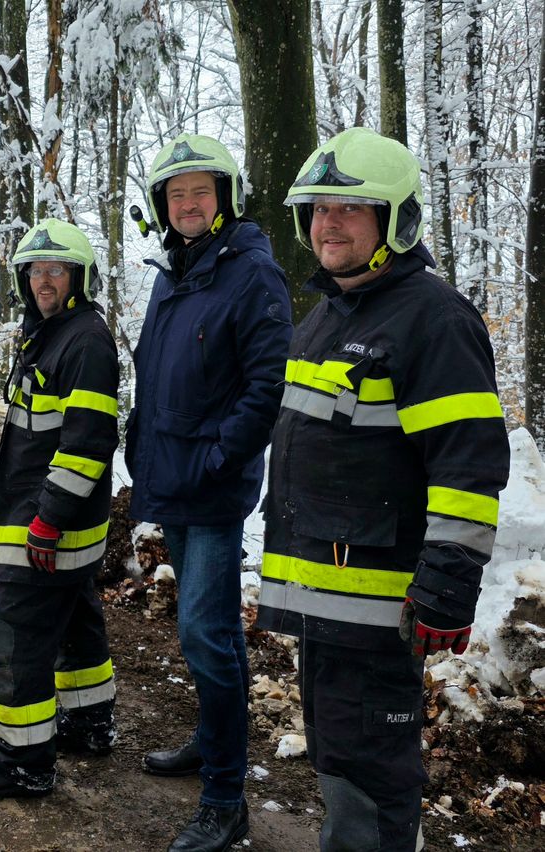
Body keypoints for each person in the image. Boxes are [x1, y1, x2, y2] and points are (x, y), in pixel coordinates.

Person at [256, 127, 511, 851]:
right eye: (318, 208)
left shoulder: (433, 320)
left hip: (379, 609)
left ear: (395, 222)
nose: (327, 223)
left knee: (372, 784)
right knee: (340, 766)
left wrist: (446, 585)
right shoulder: (325, 318)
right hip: (323, 601)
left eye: (350, 209)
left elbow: (469, 464)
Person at [126, 133, 293, 851]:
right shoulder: (178, 270)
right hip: (173, 476)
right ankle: (210, 738)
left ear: (225, 197)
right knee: (206, 630)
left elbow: (267, 384)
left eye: (200, 191)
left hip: (214, 485)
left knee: (206, 631)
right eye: (176, 194)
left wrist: (223, 457)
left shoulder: (250, 272)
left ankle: (226, 797)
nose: (188, 204)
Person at [0, 219, 120, 800]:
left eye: (56, 270)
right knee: (76, 620)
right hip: (54, 518)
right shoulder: (52, 332)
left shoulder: (84, 341)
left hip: (48, 521)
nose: (43, 281)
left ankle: (23, 761)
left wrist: (47, 519)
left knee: (18, 638)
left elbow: (89, 441)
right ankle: (89, 722)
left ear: (78, 277)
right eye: (35, 271)